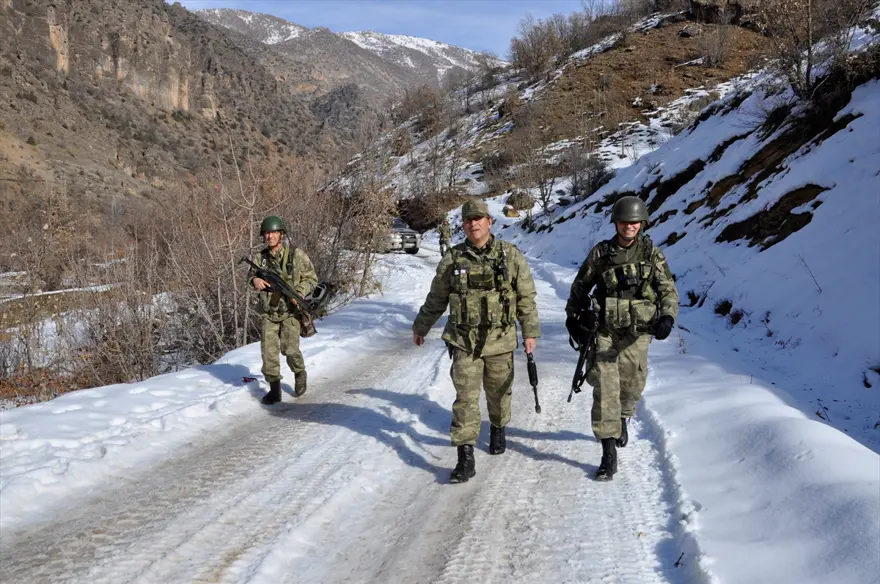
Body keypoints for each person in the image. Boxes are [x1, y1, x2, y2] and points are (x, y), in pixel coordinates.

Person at [413, 200, 541, 483]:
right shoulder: (452, 259)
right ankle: (465, 456)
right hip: (464, 341)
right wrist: (421, 326)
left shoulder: (510, 256)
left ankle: (497, 426)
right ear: (464, 225)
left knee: (498, 393)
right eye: (469, 220)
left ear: (489, 221)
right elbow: (436, 299)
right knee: (466, 399)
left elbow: (525, 298)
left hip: (500, 339)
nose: (474, 224)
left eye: (479, 219)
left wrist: (530, 332)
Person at [565, 196, 679, 481]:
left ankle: (624, 416)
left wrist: (668, 317)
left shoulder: (652, 253)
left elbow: (667, 289)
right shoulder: (601, 254)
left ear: (642, 223)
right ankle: (608, 452)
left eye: (634, 222)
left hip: (638, 331)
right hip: (604, 329)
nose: (629, 226)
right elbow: (581, 286)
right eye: (624, 222)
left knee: (631, 381)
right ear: (616, 222)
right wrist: (573, 318)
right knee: (605, 384)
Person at [248, 215, 318, 405]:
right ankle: (274, 389)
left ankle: (299, 372)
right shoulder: (260, 258)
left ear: (281, 234)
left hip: (290, 312)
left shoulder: (297, 255)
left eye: (273, 233)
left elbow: (312, 278)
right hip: (269, 312)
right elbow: (251, 276)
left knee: (289, 349)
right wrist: (254, 280)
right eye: (266, 233)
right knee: (268, 352)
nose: (269, 237)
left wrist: (300, 292)